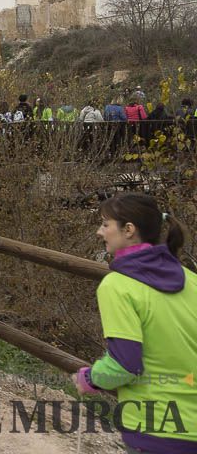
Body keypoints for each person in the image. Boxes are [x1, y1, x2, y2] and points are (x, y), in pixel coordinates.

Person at [75, 192, 197, 453]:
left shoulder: (117, 286)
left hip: (156, 426)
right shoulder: (190, 279)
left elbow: (125, 365)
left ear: (128, 229)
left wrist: (91, 378)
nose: (100, 231)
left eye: (105, 224)